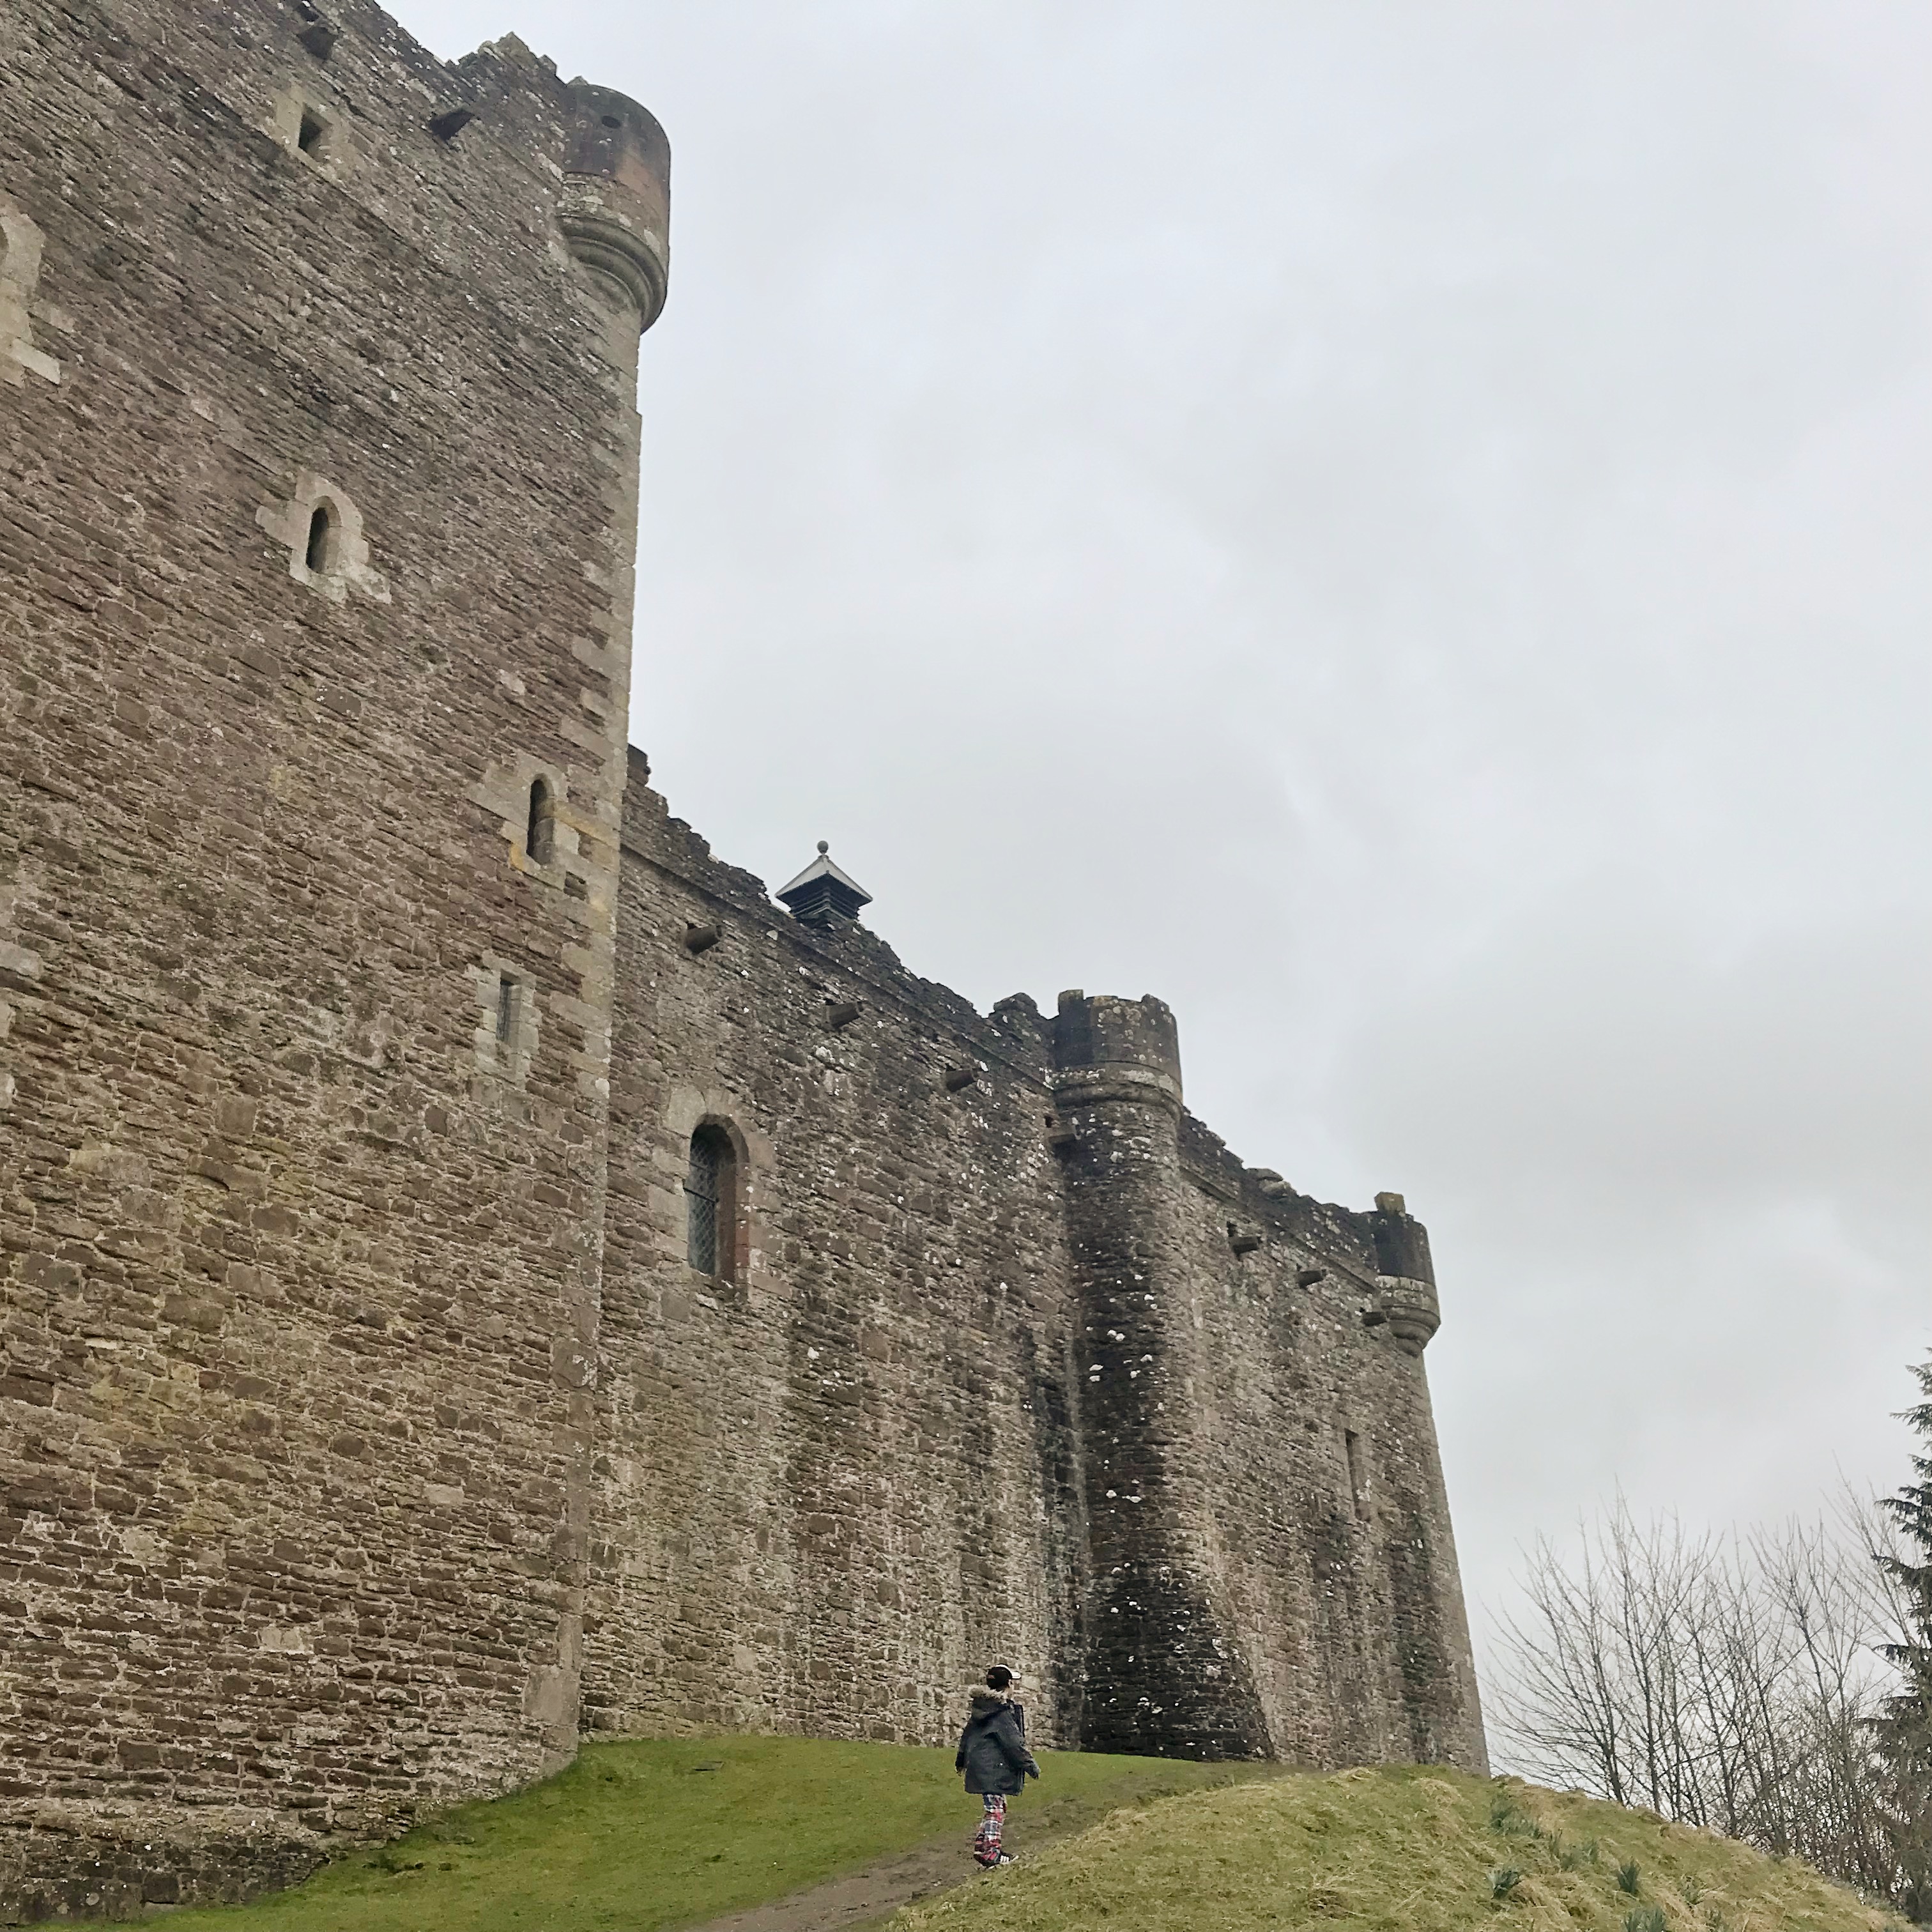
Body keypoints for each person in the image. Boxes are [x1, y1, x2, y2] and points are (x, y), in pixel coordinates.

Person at [955, 1664, 1039, 1867]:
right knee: (996, 1809)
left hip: (981, 1767)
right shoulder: (1001, 1712)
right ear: (1009, 1684)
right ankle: (992, 1852)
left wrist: (961, 1759)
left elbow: (967, 1736)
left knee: (996, 1806)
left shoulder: (982, 1708)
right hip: (992, 1768)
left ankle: (982, 1847)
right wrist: (1030, 1765)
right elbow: (1014, 1743)